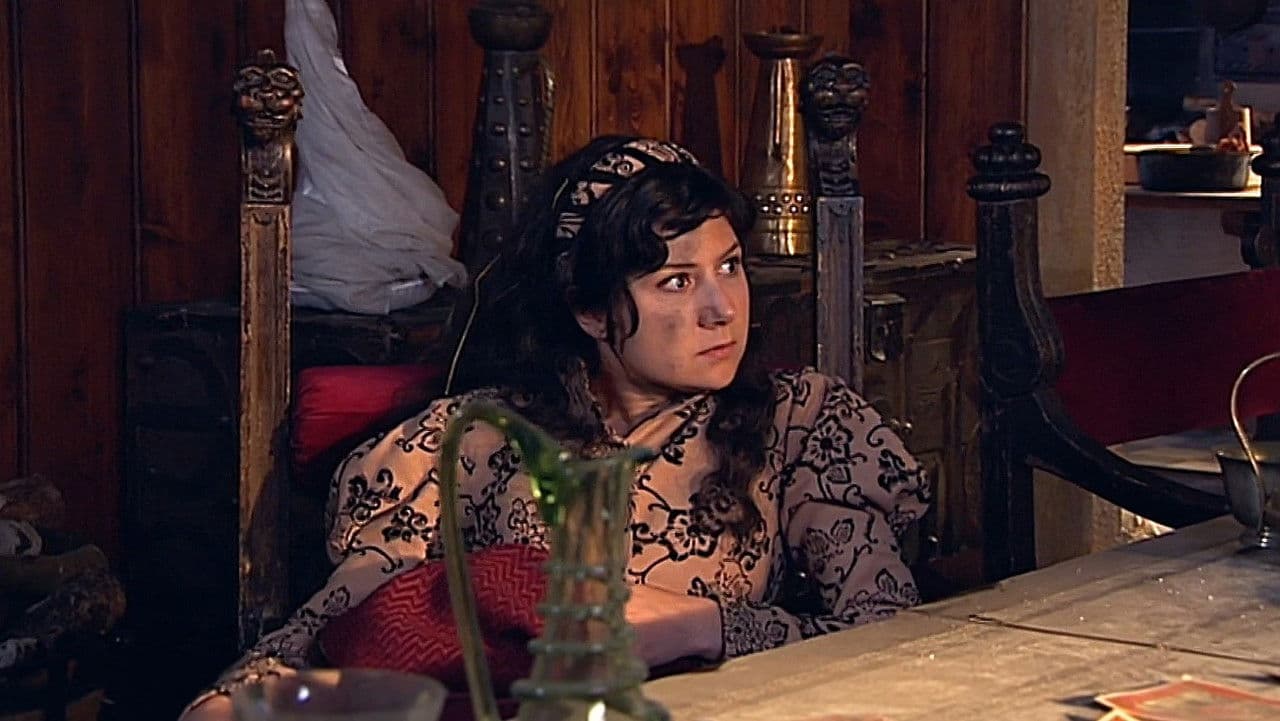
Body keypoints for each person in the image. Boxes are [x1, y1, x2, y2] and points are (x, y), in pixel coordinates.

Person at [181, 136, 929, 720]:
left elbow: (890, 640)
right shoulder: (477, 441)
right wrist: (236, 697)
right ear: (591, 311)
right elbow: (345, 625)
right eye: (677, 281)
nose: (722, 308)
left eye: (729, 267)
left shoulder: (797, 424)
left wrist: (699, 625)